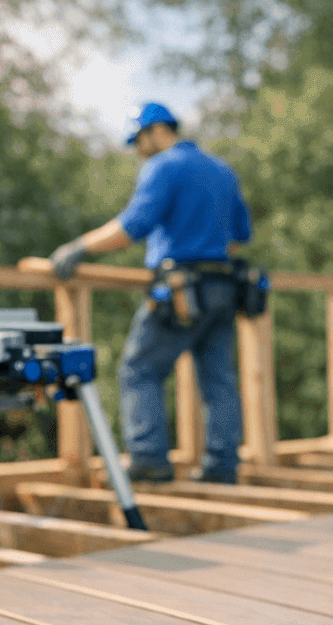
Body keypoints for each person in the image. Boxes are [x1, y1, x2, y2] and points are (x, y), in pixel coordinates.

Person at [49, 102, 252, 484]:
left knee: (139, 369)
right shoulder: (221, 170)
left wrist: (80, 247)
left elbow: (134, 226)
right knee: (219, 379)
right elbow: (241, 236)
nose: (138, 148)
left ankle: (148, 459)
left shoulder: (164, 166)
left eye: (139, 138)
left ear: (158, 130)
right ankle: (222, 466)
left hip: (182, 289)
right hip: (224, 287)